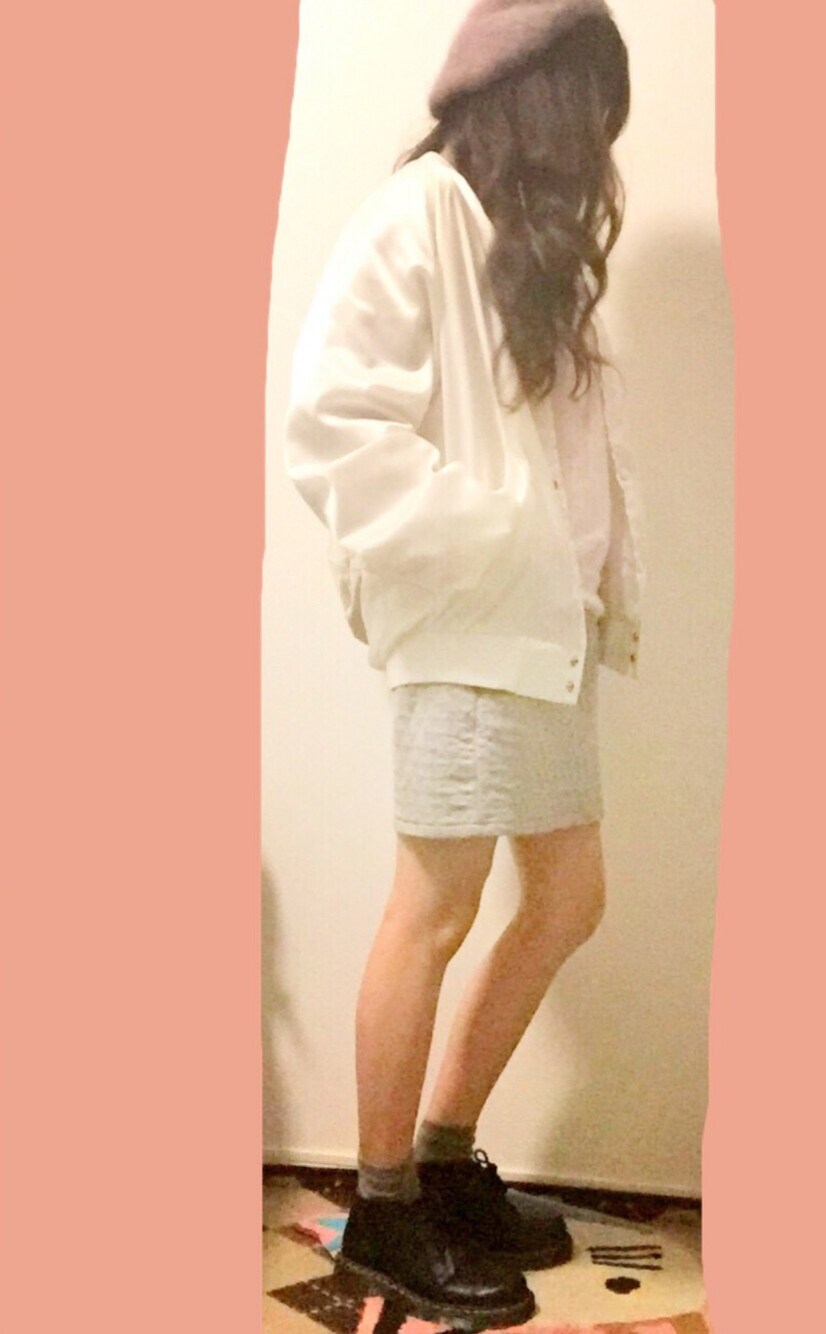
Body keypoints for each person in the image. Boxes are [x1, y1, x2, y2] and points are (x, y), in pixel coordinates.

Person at [283, 1, 646, 1326]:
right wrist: (491, 539)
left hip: (546, 634)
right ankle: (383, 1209)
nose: (599, 142)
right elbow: (332, 421)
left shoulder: (525, 251)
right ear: (535, 95)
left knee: (568, 894)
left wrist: (588, 578)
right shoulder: (420, 215)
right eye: (589, 107)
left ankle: (441, 1159)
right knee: (434, 904)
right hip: (471, 624)